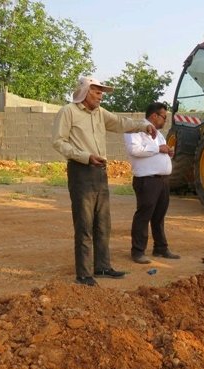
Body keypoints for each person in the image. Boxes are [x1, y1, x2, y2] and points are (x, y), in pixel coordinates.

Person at [52, 76, 157, 286]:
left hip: (100, 171)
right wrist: (84, 156)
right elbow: (58, 142)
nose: (101, 96)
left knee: (103, 223)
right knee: (84, 224)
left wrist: (143, 126)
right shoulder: (68, 111)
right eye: (97, 91)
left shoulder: (100, 113)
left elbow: (120, 123)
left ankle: (102, 266)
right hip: (81, 171)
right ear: (84, 91)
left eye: (102, 92)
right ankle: (83, 274)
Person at [124, 102, 180, 264]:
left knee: (158, 216)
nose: (165, 120)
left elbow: (160, 151)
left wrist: (168, 152)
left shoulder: (159, 134)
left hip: (162, 181)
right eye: (164, 117)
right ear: (154, 115)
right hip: (147, 180)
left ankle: (161, 248)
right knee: (144, 215)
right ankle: (138, 251)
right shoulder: (135, 129)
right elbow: (134, 150)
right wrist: (158, 150)